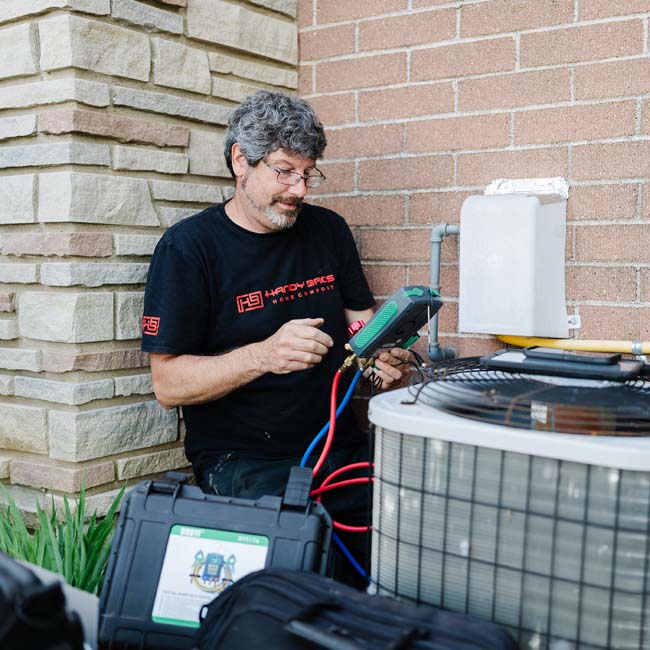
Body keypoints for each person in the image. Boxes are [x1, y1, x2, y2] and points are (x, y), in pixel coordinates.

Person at [141, 90, 410, 583]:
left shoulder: (329, 230)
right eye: (285, 171)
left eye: (308, 173)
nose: (300, 190)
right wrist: (263, 356)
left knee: (412, 526)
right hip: (243, 460)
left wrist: (380, 361)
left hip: (338, 444)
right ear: (240, 161)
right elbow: (168, 385)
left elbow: (359, 325)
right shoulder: (188, 249)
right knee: (306, 558)